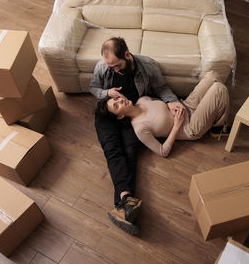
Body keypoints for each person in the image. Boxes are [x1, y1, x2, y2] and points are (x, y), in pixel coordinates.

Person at [90, 37, 183, 235]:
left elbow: (161, 88)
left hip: (132, 115)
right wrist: (108, 93)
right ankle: (125, 204)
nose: (113, 70)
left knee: (130, 153)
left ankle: (123, 205)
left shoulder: (148, 66)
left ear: (127, 54)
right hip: (107, 114)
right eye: (110, 66)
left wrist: (172, 102)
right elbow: (94, 88)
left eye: (116, 66)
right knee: (113, 151)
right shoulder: (102, 66)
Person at [101, 71, 230, 157]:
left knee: (212, 75)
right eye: (117, 105)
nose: (121, 100)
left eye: (117, 99)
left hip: (187, 105)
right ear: (120, 116)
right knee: (218, 89)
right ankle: (219, 127)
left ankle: (216, 112)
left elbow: (164, 104)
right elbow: (163, 152)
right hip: (190, 126)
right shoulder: (140, 128)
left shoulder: (142, 99)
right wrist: (176, 126)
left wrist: (169, 103)